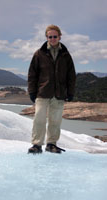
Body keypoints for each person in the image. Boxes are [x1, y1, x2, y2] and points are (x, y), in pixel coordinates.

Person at [28, 25, 76, 154]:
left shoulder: (66, 55)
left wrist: (70, 92)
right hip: (42, 92)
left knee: (55, 121)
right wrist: (32, 92)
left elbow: (71, 75)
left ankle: (51, 144)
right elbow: (32, 74)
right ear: (47, 37)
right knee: (39, 119)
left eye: (55, 36)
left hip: (59, 94)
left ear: (60, 37)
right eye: (50, 36)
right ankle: (36, 145)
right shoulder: (39, 53)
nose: (53, 39)